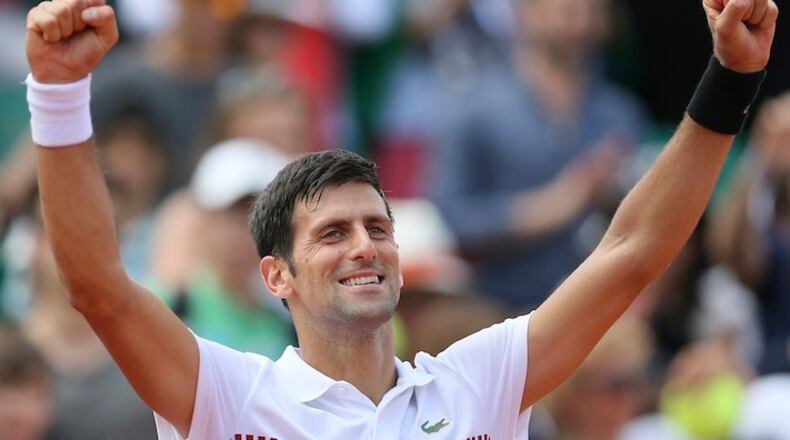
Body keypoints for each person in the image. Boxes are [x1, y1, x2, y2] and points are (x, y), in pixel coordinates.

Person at [24, 0, 777, 439]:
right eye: (333, 233)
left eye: (377, 228)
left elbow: (632, 250)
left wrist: (732, 78)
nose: (365, 246)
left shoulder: (478, 382)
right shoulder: (225, 393)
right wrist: (57, 93)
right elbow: (98, 289)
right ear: (275, 276)